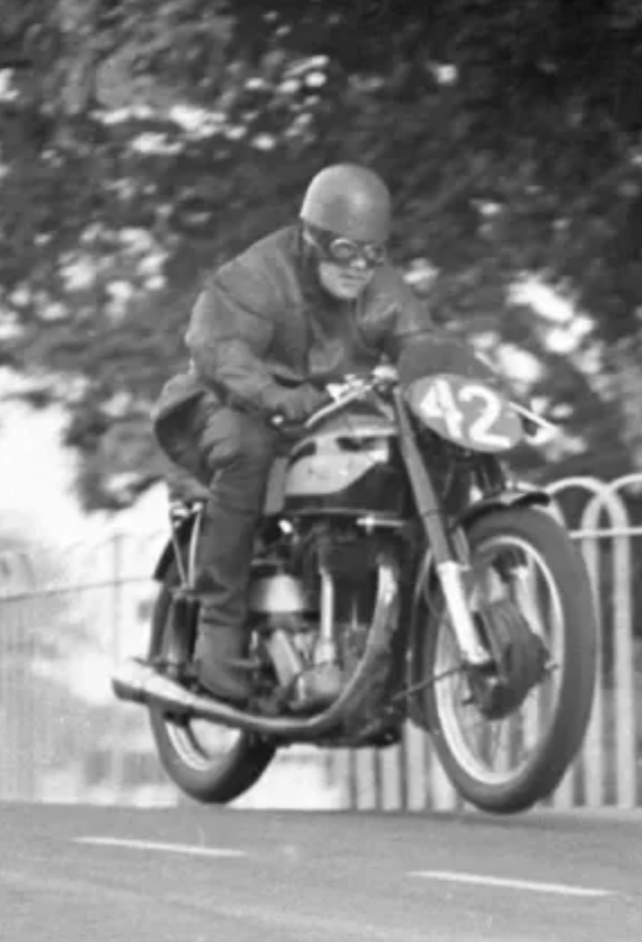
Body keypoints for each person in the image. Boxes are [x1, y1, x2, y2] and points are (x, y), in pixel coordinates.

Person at [149, 163, 438, 704]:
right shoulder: (257, 275)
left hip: (324, 416)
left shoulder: (383, 290)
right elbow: (220, 350)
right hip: (226, 405)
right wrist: (281, 398)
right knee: (247, 448)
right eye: (345, 250)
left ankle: (387, 634)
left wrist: (461, 384)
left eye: (372, 252)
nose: (359, 266)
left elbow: (421, 344)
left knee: (405, 459)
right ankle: (219, 629)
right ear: (312, 238)